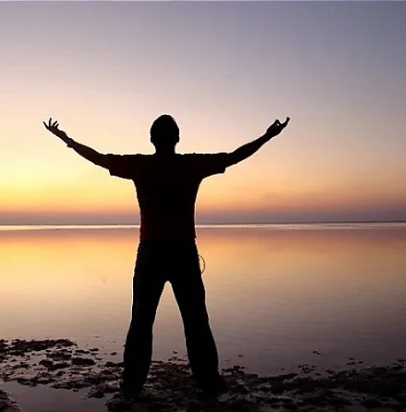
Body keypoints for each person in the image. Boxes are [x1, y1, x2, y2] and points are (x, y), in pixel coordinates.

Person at [43, 114, 290, 397]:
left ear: (152, 139)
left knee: (142, 320)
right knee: (195, 320)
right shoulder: (190, 165)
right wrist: (267, 136)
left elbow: (98, 158)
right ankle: (208, 383)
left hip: (152, 253)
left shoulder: (141, 165)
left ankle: (132, 386)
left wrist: (66, 139)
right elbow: (235, 156)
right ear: (177, 138)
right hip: (182, 252)